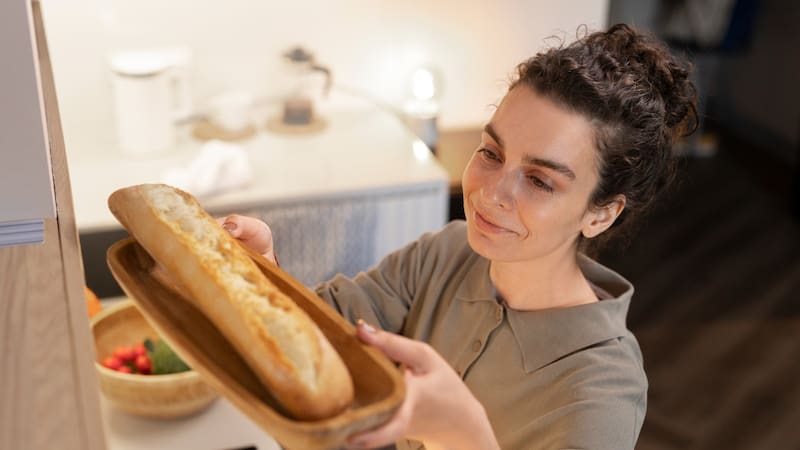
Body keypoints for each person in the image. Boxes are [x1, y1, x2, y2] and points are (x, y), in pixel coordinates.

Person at [220, 23, 697, 450]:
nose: (491, 194)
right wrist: (265, 275)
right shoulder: (446, 252)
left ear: (601, 214)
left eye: (539, 181)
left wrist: (464, 436)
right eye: (491, 153)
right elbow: (326, 335)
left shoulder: (600, 393)